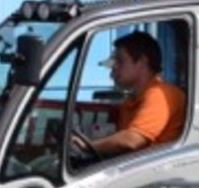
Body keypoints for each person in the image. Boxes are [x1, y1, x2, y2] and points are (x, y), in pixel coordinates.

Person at [73, 31, 184, 159]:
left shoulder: (161, 94)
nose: (113, 66)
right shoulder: (130, 102)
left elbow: (132, 141)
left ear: (142, 62)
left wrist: (88, 146)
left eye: (120, 60)